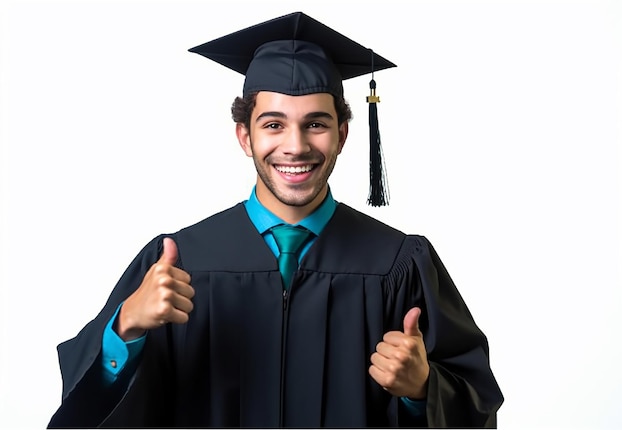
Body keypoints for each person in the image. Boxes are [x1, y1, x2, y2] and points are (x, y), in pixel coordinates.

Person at [48, 11, 503, 428]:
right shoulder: (179, 263)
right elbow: (85, 410)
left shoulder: (398, 264)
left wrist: (422, 391)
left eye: (316, 124)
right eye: (273, 124)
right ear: (244, 136)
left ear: (342, 134)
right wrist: (125, 327)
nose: (296, 145)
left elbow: (477, 404)